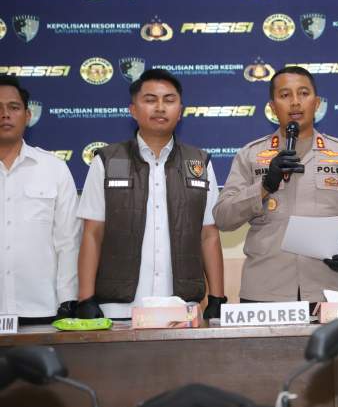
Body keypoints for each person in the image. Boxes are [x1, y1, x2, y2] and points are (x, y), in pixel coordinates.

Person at [213, 66, 338, 303]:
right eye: (285, 95)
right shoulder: (250, 155)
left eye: (303, 93)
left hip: (328, 290)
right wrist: (264, 185)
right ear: (272, 107)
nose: (295, 102)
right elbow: (223, 217)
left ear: (317, 103)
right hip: (265, 291)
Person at [76, 69, 226, 319]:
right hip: (117, 310)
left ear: (180, 111)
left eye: (169, 100)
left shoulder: (198, 162)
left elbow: (208, 235)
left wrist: (217, 297)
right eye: (150, 100)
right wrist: (85, 298)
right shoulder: (107, 160)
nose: (160, 107)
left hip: (182, 309)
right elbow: (92, 233)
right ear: (133, 110)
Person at [0, 76, 81, 323]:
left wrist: (68, 300)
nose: (5, 114)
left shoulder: (53, 168)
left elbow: (68, 241)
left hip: (41, 310)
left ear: (27, 115)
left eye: (13, 107)